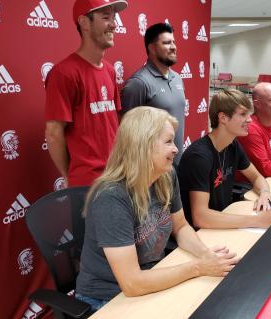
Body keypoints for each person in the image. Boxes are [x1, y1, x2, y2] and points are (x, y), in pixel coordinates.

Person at [75, 107, 239, 312]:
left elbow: (180, 226)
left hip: (153, 276)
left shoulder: (166, 175)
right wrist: (198, 267)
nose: (176, 149)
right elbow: (132, 283)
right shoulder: (111, 197)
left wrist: (205, 255)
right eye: (168, 141)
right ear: (143, 145)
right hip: (108, 298)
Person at [44, 0, 127, 187]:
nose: (114, 24)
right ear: (84, 23)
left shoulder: (110, 70)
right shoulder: (64, 73)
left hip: (117, 176)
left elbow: (114, 123)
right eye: (106, 17)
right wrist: (71, 176)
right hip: (86, 186)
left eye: (114, 18)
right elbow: (53, 133)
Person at [177, 89, 271, 229]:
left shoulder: (233, 144)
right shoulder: (199, 157)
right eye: (243, 114)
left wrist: (265, 193)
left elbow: (256, 177)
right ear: (223, 118)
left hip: (223, 220)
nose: (250, 119)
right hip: (201, 232)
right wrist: (257, 221)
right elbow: (200, 217)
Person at [121, 23, 186, 164]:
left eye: (174, 42)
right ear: (152, 48)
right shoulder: (138, 83)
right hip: (150, 170)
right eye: (167, 43)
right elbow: (128, 135)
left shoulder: (178, 78)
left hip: (176, 165)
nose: (174, 47)